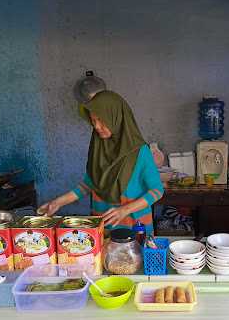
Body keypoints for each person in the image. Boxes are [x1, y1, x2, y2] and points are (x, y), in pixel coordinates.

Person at [37, 77, 164, 235]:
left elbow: (157, 190)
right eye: (93, 121)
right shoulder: (99, 149)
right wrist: (57, 203)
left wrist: (125, 210)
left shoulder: (139, 151)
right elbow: (88, 185)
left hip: (134, 228)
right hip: (102, 227)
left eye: (102, 121)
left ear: (116, 118)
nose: (97, 127)